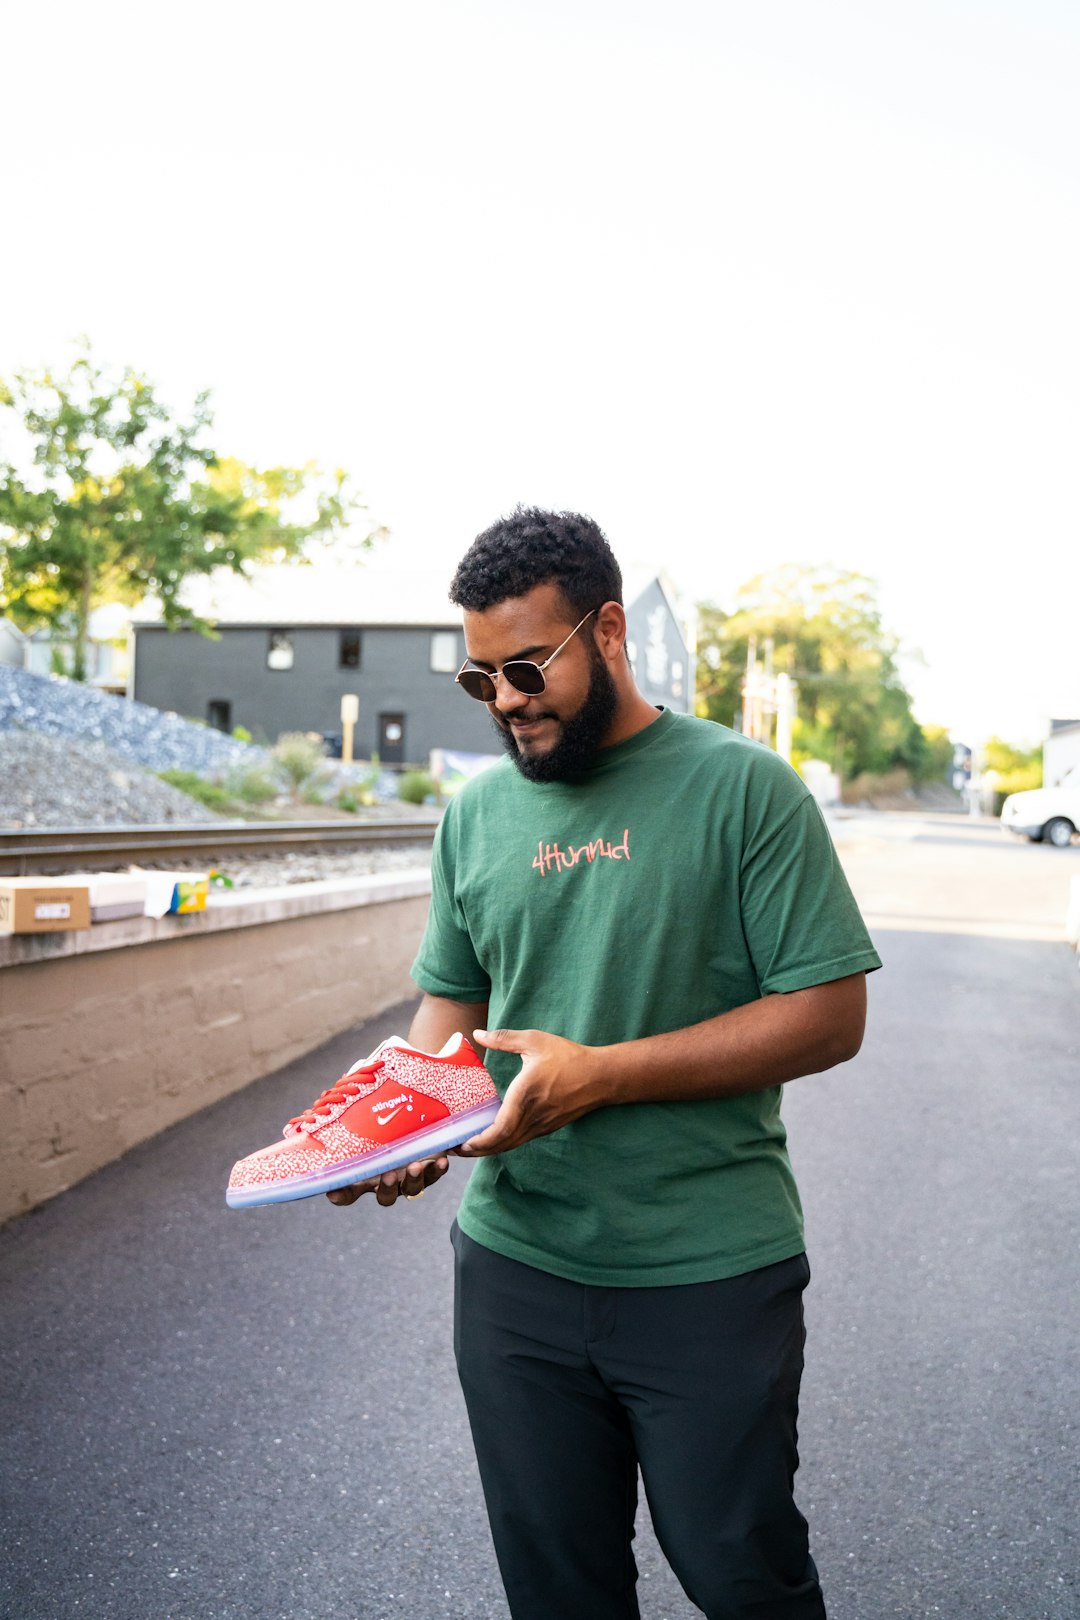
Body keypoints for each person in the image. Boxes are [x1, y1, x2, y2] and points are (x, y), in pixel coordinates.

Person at [329, 507, 881, 1619]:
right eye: (481, 681)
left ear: (610, 630)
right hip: (516, 1271)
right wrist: (393, 1119)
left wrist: (602, 1074)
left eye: (528, 667)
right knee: (557, 1588)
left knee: (744, 1576)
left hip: (708, 1271)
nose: (509, 703)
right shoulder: (475, 816)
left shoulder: (744, 790)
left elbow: (830, 1014)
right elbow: (452, 1005)